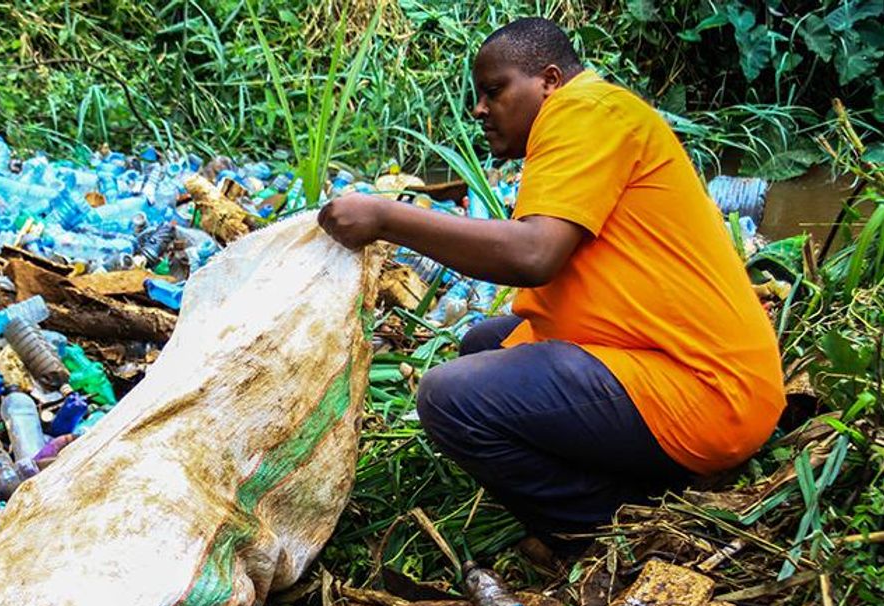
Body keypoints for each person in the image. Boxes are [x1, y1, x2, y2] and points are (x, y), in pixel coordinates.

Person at [317, 17, 785, 554]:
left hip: (709, 394)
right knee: (484, 343)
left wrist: (387, 218)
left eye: (495, 90)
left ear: (550, 80)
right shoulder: (591, 117)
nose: (480, 109)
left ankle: (592, 524)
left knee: (449, 396)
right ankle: (639, 483)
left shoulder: (583, 111)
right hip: (691, 370)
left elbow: (533, 254)